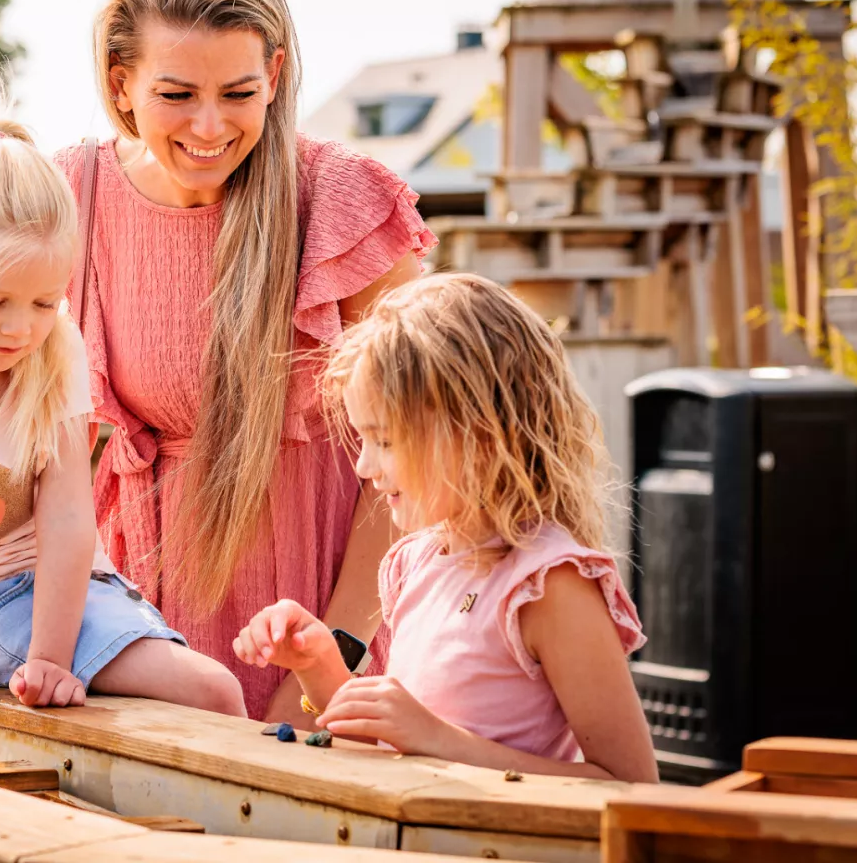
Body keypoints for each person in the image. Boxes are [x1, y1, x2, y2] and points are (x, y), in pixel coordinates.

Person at [56, 0, 435, 720]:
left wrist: (333, 665)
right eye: (175, 94)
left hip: (331, 628)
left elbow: (418, 461)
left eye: (237, 92)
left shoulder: (340, 204)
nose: (208, 125)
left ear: (276, 74)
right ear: (121, 84)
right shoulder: (70, 196)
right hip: (134, 636)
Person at [0, 82, 247, 783]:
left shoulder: (53, 351)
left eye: (44, 301)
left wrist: (52, 656)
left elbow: (65, 516)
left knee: (219, 691)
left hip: (67, 585)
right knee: (207, 691)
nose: (20, 327)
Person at [233, 274, 659, 782]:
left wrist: (439, 740)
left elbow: (631, 786)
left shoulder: (548, 586)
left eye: (385, 441)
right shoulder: (414, 564)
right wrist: (320, 663)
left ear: (477, 434)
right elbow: (395, 746)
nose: (365, 467)